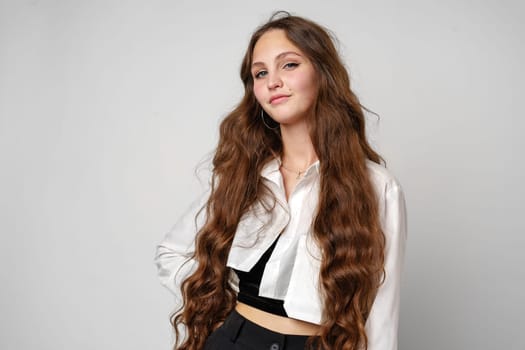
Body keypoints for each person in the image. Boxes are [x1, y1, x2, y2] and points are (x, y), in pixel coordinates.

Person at [155, 11, 407, 350]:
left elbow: (382, 311)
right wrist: (222, 316)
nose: (272, 81)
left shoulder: (377, 186)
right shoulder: (243, 174)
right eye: (261, 73)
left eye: (288, 65)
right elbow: (173, 252)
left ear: (323, 73)